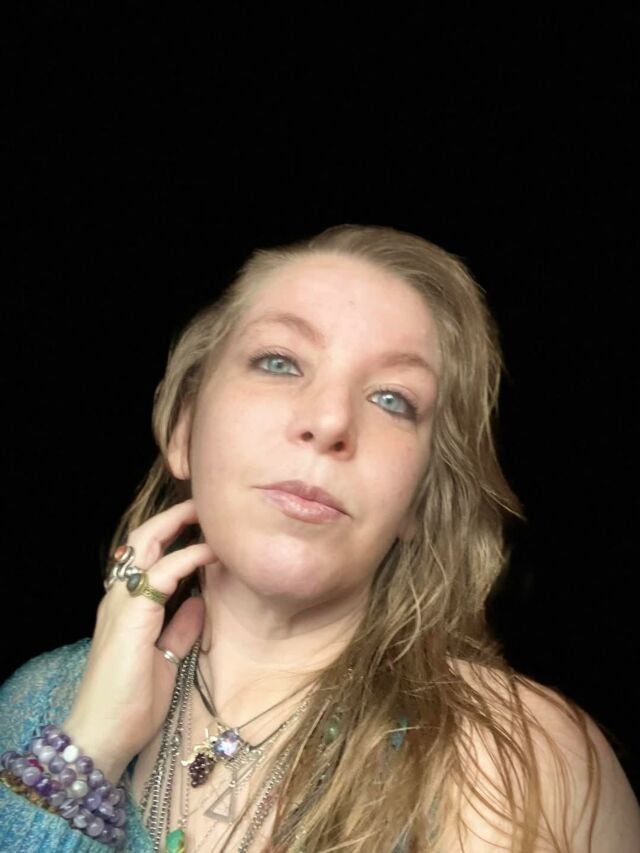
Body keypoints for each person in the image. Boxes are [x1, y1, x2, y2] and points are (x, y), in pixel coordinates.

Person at [0, 224, 638, 852]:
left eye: (392, 399)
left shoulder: (511, 755)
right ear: (184, 428)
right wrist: (84, 757)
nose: (331, 421)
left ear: (419, 498)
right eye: (279, 363)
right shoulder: (37, 703)